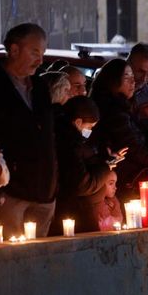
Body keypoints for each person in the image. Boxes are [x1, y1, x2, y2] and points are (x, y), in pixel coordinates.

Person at [0, 23, 59, 238]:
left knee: (39, 258)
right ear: (14, 50)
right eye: (34, 52)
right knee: (12, 258)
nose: (40, 60)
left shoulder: (40, 87)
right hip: (11, 190)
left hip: (44, 189)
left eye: (42, 53)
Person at [90, 58, 148, 201]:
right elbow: (133, 148)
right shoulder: (114, 111)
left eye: (132, 77)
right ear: (112, 81)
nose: (133, 82)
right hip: (123, 179)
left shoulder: (124, 109)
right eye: (126, 78)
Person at [53, 96, 103, 232]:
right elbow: (81, 184)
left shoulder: (66, 137)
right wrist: (105, 169)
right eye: (89, 127)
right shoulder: (69, 143)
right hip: (70, 207)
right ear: (78, 122)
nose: (89, 132)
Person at [74, 164, 124, 233]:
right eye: (111, 183)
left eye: (115, 183)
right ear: (101, 184)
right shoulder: (94, 205)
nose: (115, 187)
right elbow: (111, 226)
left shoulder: (111, 202)